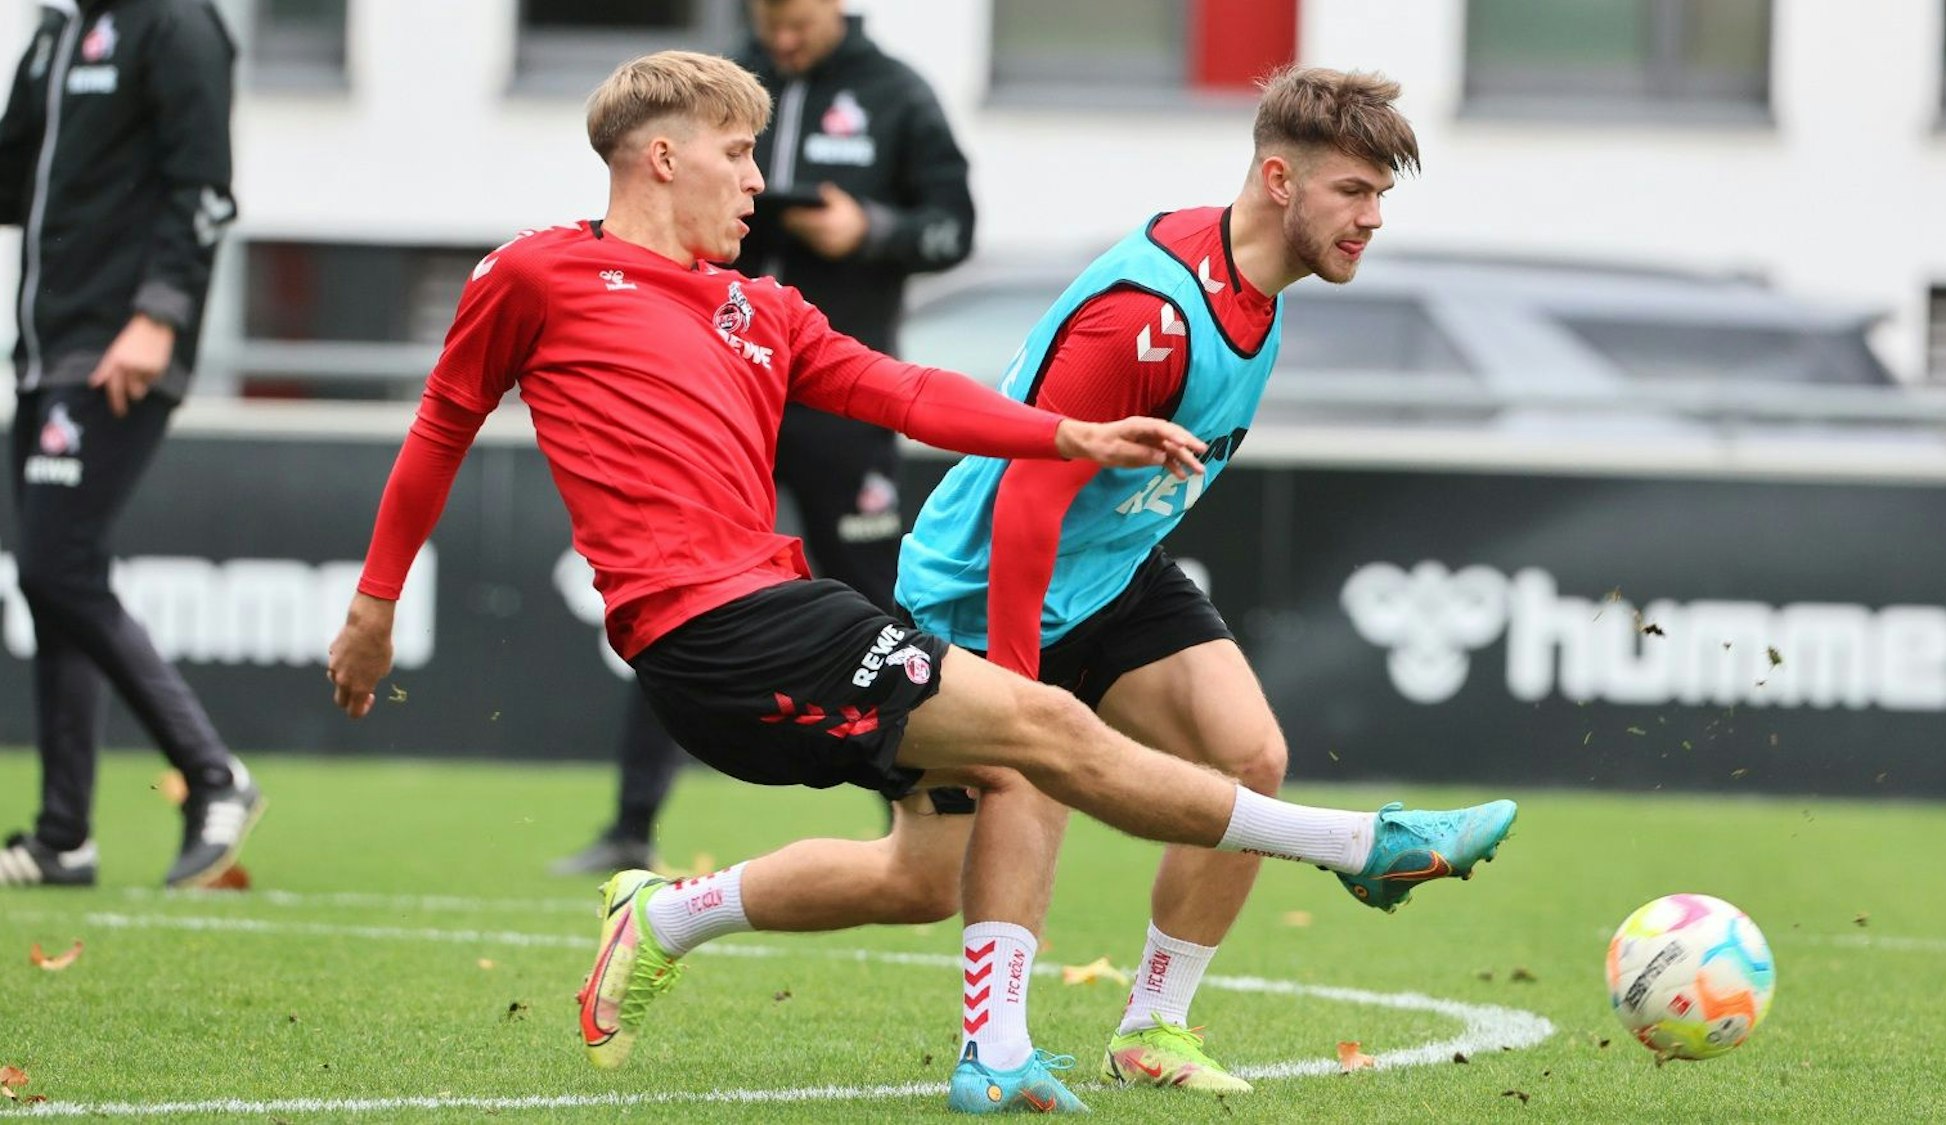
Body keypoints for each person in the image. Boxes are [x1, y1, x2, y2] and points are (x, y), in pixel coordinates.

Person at [323, 52, 1514, 1115]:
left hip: (780, 607)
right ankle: (1359, 846)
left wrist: (1064, 438)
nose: (756, 182)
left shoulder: (759, 309)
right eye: (738, 157)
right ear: (661, 156)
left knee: (939, 854)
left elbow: (905, 393)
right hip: (711, 630)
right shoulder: (538, 273)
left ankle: (685, 923)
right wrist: (375, 606)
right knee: (1042, 733)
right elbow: (442, 421)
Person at [893, 65, 1458, 1097]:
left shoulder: (1264, 284)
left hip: (1106, 572)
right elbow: (1025, 501)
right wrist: (1019, 687)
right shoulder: (1146, 314)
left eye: (1382, 196)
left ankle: (1153, 1025)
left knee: (1249, 753)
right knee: (919, 875)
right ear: (1279, 179)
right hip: (986, 587)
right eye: (1354, 192)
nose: (1372, 218)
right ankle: (678, 913)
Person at [549, 0, 978, 876]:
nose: (780, 37)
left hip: (833, 392)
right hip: (713, 388)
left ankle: (916, 811)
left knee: (874, 600)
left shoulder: (897, 94)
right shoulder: (720, 85)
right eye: (766, 19)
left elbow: (953, 226)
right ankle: (632, 822)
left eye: (795, 22)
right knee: (685, 592)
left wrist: (872, 230)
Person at [0, 0, 263, 890]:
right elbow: (13, 184)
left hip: (115, 346)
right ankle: (63, 836)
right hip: (43, 353)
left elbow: (206, 188)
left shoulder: (176, 23)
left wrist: (159, 316)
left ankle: (215, 774)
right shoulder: (58, 31)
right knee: (54, 586)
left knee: (56, 567)